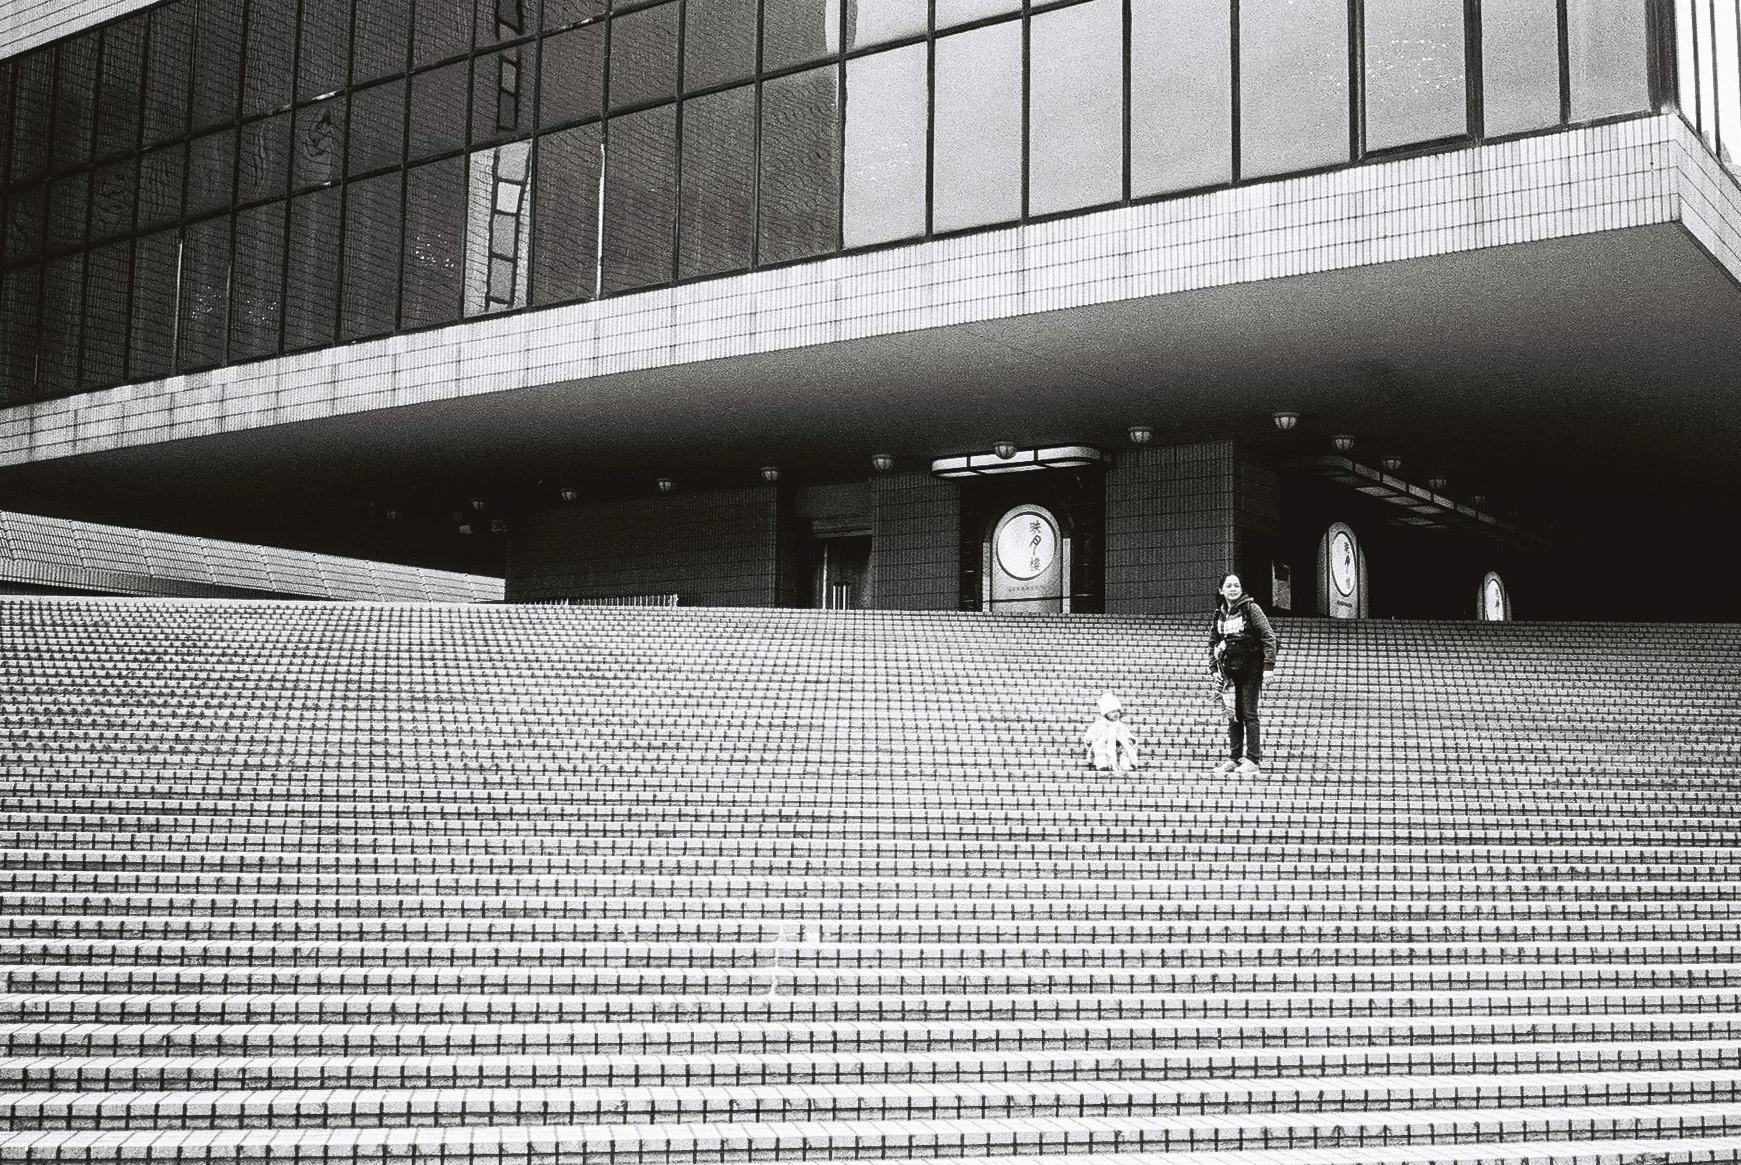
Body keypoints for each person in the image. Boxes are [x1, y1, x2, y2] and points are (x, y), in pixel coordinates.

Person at [1207, 572, 1278, 774]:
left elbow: (1268, 636)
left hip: (1252, 668)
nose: (1233, 589)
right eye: (1228, 586)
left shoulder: (1251, 608)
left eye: (1236, 586)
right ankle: (1235, 758)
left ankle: (1253, 760)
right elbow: (1212, 642)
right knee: (1233, 716)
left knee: (1249, 713)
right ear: (1221, 590)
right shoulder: (1219, 614)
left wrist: (1268, 668)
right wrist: (1213, 669)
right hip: (1230, 670)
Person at [1082, 691, 1139, 771]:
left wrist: (1130, 739)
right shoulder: (1099, 724)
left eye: (1117, 711)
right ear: (1106, 714)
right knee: (1099, 746)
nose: (1116, 714)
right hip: (1104, 745)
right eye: (1112, 712)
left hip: (1117, 747)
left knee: (1126, 746)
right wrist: (1089, 739)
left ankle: (1125, 764)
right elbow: (1091, 733)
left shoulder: (1121, 726)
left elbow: (1127, 735)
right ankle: (1102, 764)